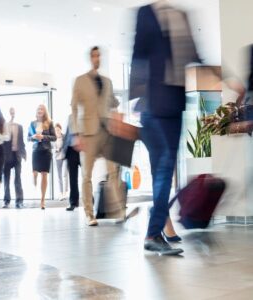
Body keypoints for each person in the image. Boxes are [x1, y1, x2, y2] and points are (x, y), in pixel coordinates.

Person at [129, 1, 203, 255]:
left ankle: (157, 226)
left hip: (175, 104)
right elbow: (138, 57)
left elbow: (194, 55)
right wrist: (135, 102)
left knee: (166, 168)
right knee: (163, 168)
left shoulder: (182, 15)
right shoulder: (147, 13)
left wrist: (226, 78)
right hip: (153, 104)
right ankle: (153, 231)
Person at [71, 46, 124, 226]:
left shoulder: (107, 82)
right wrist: (76, 134)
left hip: (106, 132)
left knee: (113, 170)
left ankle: (119, 210)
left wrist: (117, 114)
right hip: (88, 133)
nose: (97, 58)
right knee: (87, 175)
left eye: (99, 55)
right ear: (90, 58)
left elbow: (113, 102)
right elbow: (73, 107)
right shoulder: (80, 81)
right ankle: (89, 213)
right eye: (94, 55)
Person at [28, 104, 56, 209]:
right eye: (38, 109)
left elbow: (54, 137)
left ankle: (42, 200)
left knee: (44, 174)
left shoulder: (49, 123)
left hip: (46, 151)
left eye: (42, 109)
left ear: (44, 112)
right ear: (36, 111)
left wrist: (43, 136)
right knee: (35, 173)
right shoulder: (32, 123)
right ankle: (35, 181)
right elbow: (28, 138)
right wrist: (33, 137)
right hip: (36, 150)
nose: (40, 110)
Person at [2, 107, 26, 209]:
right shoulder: (5, 126)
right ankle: (6, 201)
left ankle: (19, 201)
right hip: (7, 156)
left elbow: (21, 141)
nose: (12, 113)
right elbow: (2, 141)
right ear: (8, 113)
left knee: (18, 178)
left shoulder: (20, 126)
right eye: (10, 111)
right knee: (6, 179)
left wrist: (24, 153)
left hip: (17, 155)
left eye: (13, 111)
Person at [62, 115, 81, 211]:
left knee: (87, 177)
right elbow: (67, 135)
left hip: (83, 149)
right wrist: (64, 150)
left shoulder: (86, 115)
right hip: (71, 150)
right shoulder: (70, 117)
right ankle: (73, 202)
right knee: (73, 179)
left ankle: (90, 201)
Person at [54, 123, 68, 201]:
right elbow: (52, 148)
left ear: (60, 129)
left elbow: (66, 146)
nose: (57, 131)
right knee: (59, 176)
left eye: (58, 130)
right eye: (56, 130)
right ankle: (61, 192)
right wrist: (56, 150)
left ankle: (65, 192)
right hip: (57, 158)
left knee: (64, 174)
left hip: (64, 157)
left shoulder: (64, 137)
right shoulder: (53, 138)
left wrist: (61, 149)